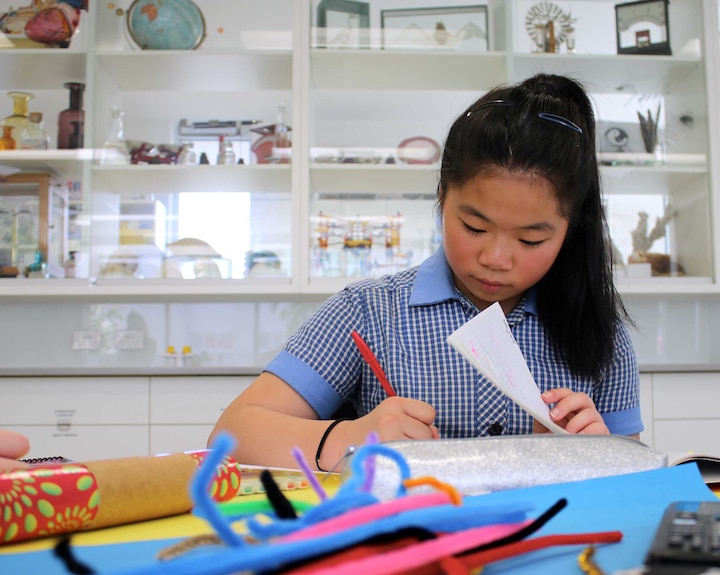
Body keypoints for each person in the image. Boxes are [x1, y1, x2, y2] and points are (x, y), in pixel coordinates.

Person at [211, 73, 642, 471]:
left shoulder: (600, 331)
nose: (495, 258)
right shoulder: (369, 312)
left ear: (570, 230)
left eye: (531, 240)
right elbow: (229, 437)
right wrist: (353, 438)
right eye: (473, 227)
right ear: (441, 198)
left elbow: (638, 480)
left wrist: (599, 456)